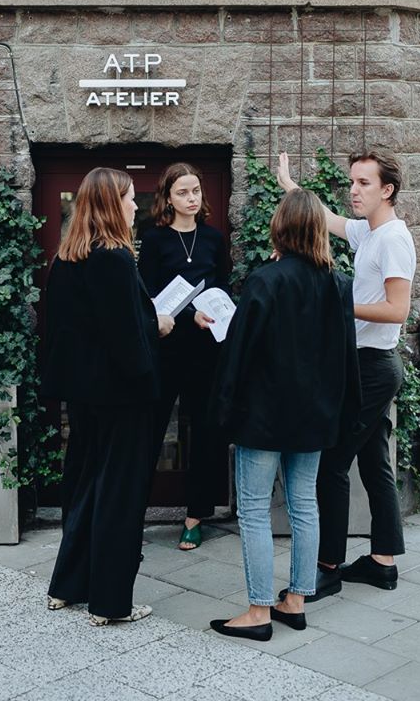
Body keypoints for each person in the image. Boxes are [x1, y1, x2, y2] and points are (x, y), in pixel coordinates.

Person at [209, 189, 361, 641]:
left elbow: (238, 354)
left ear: (281, 228)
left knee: (255, 510)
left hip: (264, 416)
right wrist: (345, 412)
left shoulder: (265, 281)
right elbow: (346, 356)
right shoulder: (339, 284)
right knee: (304, 504)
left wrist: (222, 410)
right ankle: (295, 600)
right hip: (314, 415)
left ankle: (258, 610)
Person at [277, 147, 416, 600]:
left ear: (387, 190)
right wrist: (290, 185)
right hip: (365, 364)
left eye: (363, 183)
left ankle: (327, 567)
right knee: (374, 464)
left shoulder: (393, 239)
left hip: (373, 367)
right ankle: (383, 562)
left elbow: (397, 310)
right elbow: (326, 218)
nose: (353, 191)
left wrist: (339, 303)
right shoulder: (368, 232)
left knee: (331, 463)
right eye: (352, 181)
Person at [42, 167, 174, 626]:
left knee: (85, 486)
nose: (136, 206)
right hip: (122, 398)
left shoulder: (67, 257)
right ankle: (111, 603)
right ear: (111, 204)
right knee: (120, 495)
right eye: (130, 198)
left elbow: (69, 332)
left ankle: (67, 586)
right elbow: (125, 337)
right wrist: (157, 325)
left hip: (83, 396)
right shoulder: (115, 258)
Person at [138, 162, 229, 550]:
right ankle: (133, 512)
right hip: (166, 349)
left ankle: (195, 515)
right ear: (168, 198)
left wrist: (218, 311)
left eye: (195, 191)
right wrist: (189, 313)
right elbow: (146, 294)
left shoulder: (212, 238)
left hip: (207, 351)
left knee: (205, 432)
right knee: (150, 430)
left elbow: (223, 284)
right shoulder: (154, 239)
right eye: (182, 193)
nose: (191, 198)